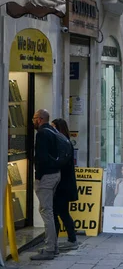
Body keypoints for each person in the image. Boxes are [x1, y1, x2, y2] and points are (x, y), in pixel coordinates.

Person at [30, 109, 61, 261]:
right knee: (48, 210)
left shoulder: (42, 133)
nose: (33, 120)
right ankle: (53, 246)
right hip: (55, 174)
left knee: (46, 211)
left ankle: (50, 248)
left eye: (34, 118)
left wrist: (38, 177)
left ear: (40, 119)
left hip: (46, 177)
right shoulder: (53, 131)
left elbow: (40, 158)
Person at [52, 118, 79, 251]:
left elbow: (61, 163)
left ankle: (57, 242)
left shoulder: (63, 143)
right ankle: (71, 238)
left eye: (53, 127)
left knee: (58, 213)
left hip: (63, 185)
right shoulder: (65, 141)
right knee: (63, 213)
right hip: (65, 185)